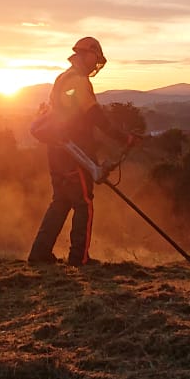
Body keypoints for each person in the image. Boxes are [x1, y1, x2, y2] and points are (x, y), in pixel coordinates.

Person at [27, 36, 135, 267]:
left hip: (57, 151)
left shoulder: (63, 77)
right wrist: (123, 137)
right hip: (74, 153)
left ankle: (39, 254)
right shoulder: (78, 81)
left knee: (61, 201)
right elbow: (94, 115)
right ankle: (79, 258)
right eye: (95, 58)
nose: (96, 64)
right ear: (86, 54)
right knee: (83, 202)